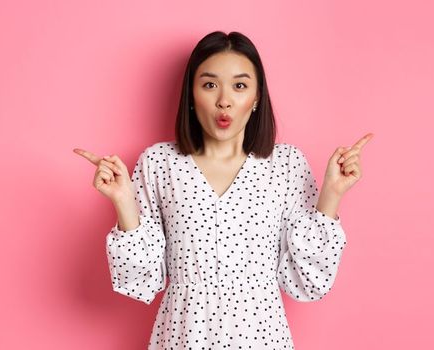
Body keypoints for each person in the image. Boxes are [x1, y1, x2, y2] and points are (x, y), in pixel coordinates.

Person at [74, 31, 372, 349]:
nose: (224, 100)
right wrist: (123, 201)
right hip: (184, 337)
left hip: (262, 338)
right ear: (191, 94)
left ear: (257, 97)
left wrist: (333, 193)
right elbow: (142, 281)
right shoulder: (159, 163)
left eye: (240, 86)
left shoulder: (286, 164)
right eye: (209, 84)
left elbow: (307, 281)